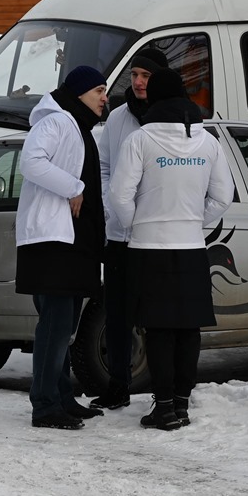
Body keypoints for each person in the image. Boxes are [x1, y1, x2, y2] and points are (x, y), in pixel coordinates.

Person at [108, 68, 233, 430]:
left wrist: (136, 223)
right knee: (188, 329)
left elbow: (119, 194)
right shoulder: (208, 142)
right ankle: (181, 404)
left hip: (148, 246)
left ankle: (163, 407)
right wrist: (194, 219)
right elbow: (223, 195)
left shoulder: (141, 140)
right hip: (192, 246)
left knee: (159, 329)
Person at [15, 65, 109, 430]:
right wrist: (73, 187)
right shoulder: (54, 123)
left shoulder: (75, 125)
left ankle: (62, 397)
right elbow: (31, 162)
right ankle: (44, 405)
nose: (105, 98)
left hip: (70, 239)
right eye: (99, 90)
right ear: (80, 92)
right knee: (54, 327)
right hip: (51, 241)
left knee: (64, 324)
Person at [92, 47, 169, 410]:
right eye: (135, 75)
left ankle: (164, 390)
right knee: (118, 313)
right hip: (121, 235)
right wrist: (116, 212)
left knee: (157, 314)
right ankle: (118, 385)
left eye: (146, 76)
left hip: (157, 237)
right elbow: (105, 167)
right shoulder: (118, 118)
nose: (138, 82)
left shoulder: (170, 118)